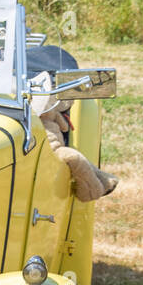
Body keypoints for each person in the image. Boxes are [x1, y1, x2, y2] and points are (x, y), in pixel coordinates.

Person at [34, 74, 118, 202]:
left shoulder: (50, 111)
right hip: (46, 149)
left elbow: (64, 127)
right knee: (74, 158)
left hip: (56, 147)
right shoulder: (30, 114)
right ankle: (90, 191)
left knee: (76, 157)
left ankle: (101, 183)